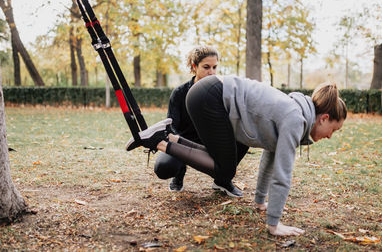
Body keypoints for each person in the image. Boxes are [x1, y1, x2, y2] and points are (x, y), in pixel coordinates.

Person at [127, 75, 347, 236]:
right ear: (324, 118)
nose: (329, 136)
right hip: (210, 95)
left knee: (223, 164)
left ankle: (169, 139)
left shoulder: (293, 113)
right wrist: (274, 224)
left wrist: (261, 202)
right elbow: (283, 175)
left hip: (208, 92)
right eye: (333, 130)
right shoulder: (295, 119)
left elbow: (269, 161)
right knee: (225, 170)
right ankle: (160, 141)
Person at [153, 45, 221, 192]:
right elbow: (171, 127)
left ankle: (222, 181)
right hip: (182, 141)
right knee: (163, 167)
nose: (212, 72)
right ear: (194, 66)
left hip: (210, 142)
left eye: (215, 67)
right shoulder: (179, 93)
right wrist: (181, 147)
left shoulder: (221, 91)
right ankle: (179, 173)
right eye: (206, 67)